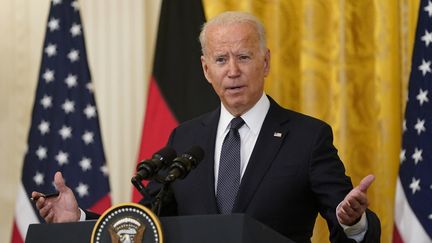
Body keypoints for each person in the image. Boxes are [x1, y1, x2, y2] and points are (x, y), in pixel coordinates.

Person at [32, 11, 380, 243]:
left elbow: (345, 220)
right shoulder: (185, 138)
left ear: (266, 62)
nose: (233, 71)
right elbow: (144, 224)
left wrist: (353, 223)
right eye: (220, 59)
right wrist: (78, 217)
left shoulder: (307, 137)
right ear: (205, 69)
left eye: (244, 57)